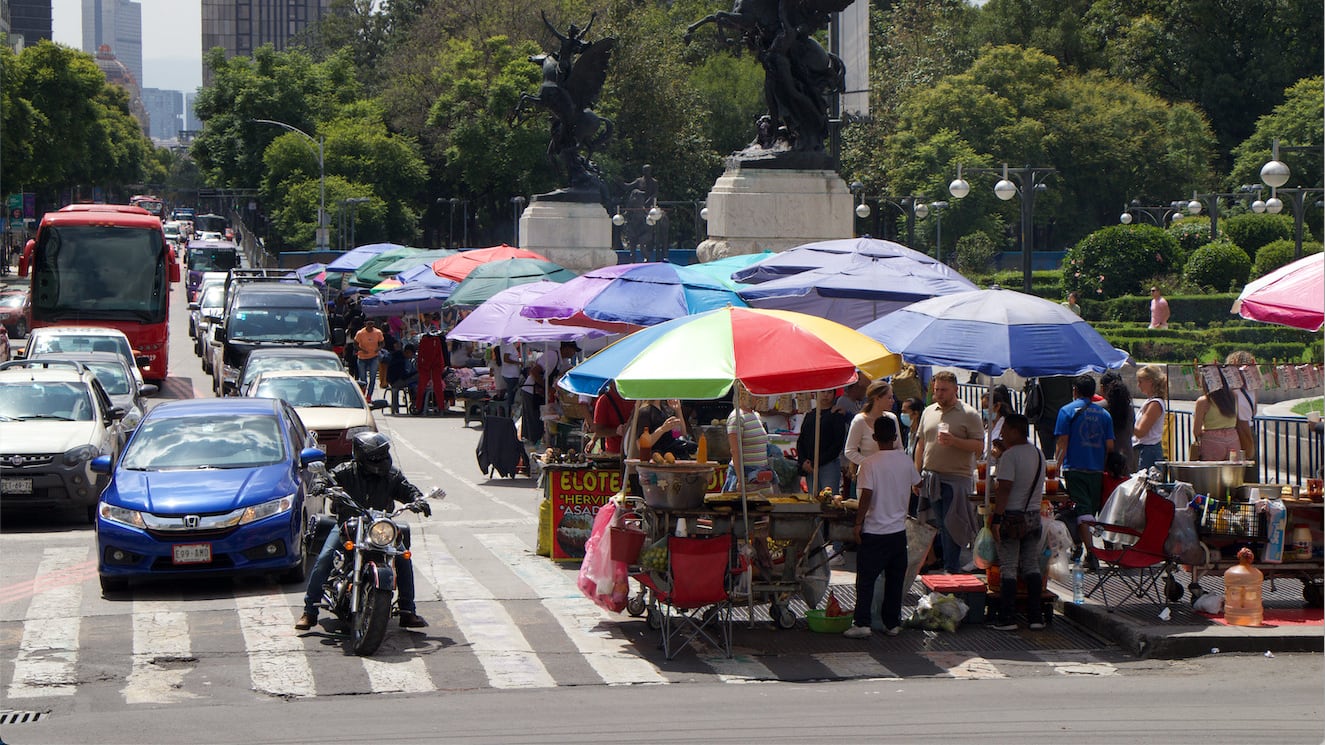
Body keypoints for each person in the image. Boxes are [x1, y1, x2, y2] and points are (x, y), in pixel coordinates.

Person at [296, 433, 431, 631]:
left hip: (379, 527)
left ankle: (407, 611)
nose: (381, 461)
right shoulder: (345, 471)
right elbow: (328, 479)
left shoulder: (391, 475)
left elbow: (407, 489)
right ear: (361, 456)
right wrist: (321, 485)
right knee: (325, 558)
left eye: (384, 455)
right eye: (376, 457)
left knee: (403, 557)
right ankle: (309, 611)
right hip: (347, 524)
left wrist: (419, 499)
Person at [844, 416, 918, 639]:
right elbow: (918, 483)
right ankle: (892, 623)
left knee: (866, 580)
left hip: (875, 531)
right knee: (895, 581)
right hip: (897, 531)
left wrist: (858, 522)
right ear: (896, 437)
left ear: (875, 438)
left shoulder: (869, 463)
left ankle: (862, 622)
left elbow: (866, 494)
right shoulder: (905, 461)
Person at [913, 371, 984, 573]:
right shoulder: (928, 411)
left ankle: (952, 568)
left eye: (944, 390)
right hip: (930, 477)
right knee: (937, 525)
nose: (939, 394)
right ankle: (946, 565)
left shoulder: (969, 414)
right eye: (936, 390)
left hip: (956, 479)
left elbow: (979, 448)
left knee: (953, 525)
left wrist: (955, 441)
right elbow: (921, 444)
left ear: (955, 389)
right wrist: (915, 474)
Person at [988, 414, 1047, 631]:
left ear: (1014, 430)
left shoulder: (1010, 456)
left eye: (1004, 430)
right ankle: (1035, 616)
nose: (1001, 434)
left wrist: (996, 518)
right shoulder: (1038, 454)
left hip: (1012, 517)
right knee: (1031, 564)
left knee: (1009, 566)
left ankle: (1007, 617)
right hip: (1033, 516)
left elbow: (1004, 489)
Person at [1054, 375, 1114, 550]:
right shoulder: (1105, 415)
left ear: (1075, 391)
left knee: (1081, 511)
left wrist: (1055, 468)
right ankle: (1094, 549)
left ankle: (1090, 552)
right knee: (1091, 510)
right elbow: (1110, 446)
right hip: (1097, 470)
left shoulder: (1066, 411)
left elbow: (1062, 442)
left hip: (1074, 468)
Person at [843, 380, 899, 498]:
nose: (892, 401)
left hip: (889, 476)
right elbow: (849, 451)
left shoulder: (892, 418)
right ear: (877, 399)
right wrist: (869, 464)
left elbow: (899, 447)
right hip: (868, 477)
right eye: (889, 398)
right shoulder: (859, 420)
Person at [520, 342, 578, 447]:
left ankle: (536, 445)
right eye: (573, 350)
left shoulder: (562, 361)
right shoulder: (552, 356)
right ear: (566, 348)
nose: (574, 354)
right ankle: (531, 449)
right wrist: (548, 388)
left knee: (541, 423)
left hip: (539, 394)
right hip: (531, 392)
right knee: (534, 424)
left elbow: (569, 369)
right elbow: (534, 372)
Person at [796, 389, 846, 496]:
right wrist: (803, 460)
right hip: (810, 465)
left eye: (829, 392)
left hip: (828, 464)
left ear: (834, 395)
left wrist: (817, 462)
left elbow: (837, 445)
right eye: (823, 392)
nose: (826, 395)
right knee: (813, 499)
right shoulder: (810, 415)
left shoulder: (837, 415)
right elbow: (801, 440)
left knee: (829, 499)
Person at [724, 391, 769, 491]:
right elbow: (735, 451)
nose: (757, 397)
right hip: (745, 474)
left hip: (760, 473)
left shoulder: (756, 415)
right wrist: (740, 480)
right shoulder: (736, 417)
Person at [1192, 368, 1240, 462]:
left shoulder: (1204, 401)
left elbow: (1196, 431)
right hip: (1233, 439)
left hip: (1212, 441)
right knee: (1231, 474)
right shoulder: (1234, 396)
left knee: (1211, 474)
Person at [1132, 365, 1168, 472]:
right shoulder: (1150, 402)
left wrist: (1126, 421)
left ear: (1150, 382)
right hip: (1145, 449)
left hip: (1149, 450)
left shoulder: (1155, 404)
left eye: (1141, 382)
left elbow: (1140, 432)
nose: (1138, 385)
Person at [1100, 372, 1135, 473]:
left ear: (1102, 388)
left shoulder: (1100, 408)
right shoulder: (1130, 409)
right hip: (1126, 457)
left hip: (1105, 459)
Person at [589, 381, 633, 454]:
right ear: (611, 383)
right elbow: (599, 431)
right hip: (615, 452)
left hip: (635, 451)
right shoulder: (604, 401)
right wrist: (617, 431)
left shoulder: (635, 397)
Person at [354, 318, 385, 398]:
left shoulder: (378, 332)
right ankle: (362, 394)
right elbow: (355, 344)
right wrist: (362, 350)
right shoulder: (360, 333)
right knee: (363, 379)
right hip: (362, 358)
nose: (370, 326)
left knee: (373, 377)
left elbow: (382, 343)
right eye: (368, 324)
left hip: (373, 357)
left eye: (371, 324)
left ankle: (369, 396)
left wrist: (378, 349)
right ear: (365, 324)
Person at [499, 342, 523, 413]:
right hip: (511, 375)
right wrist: (519, 363)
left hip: (507, 373)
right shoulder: (509, 345)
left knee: (510, 395)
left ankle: (509, 412)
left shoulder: (504, 344)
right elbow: (506, 359)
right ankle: (510, 413)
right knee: (512, 397)